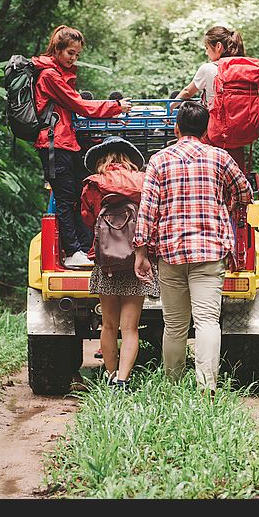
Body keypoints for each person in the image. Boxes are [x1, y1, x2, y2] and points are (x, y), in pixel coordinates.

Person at [133, 101, 253, 395]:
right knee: (207, 321)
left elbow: (148, 209)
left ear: (176, 128)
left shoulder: (159, 160)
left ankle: (172, 387)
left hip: (171, 253)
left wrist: (140, 252)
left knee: (173, 325)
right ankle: (207, 387)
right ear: (207, 129)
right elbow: (246, 192)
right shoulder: (220, 158)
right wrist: (228, 201)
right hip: (211, 252)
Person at [33, 25, 133, 269]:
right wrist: (115, 107)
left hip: (65, 142)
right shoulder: (49, 76)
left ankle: (84, 246)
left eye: (77, 54)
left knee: (79, 192)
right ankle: (72, 251)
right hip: (54, 144)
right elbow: (80, 105)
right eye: (70, 53)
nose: (74, 58)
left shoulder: (57, 73)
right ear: (57, 49)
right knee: (65, 199)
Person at [81, 136, 160, 390]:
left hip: (106, 263)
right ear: (128, 159)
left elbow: (87, 218)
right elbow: (151, 217)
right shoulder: (142, 181)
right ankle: (123, 381)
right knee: (130, 328)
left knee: (108, 324)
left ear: (102, 159)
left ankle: (111, 374)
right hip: (136, 260)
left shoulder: (94, 184)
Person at [172, 26, 247, 172]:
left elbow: (187, 92)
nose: (206, 52)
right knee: (237, 171)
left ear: (218, 46)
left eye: (207, 48)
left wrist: (170, 107)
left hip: (215, 133)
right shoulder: (244, 69)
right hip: (240, 132)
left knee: (207, 169)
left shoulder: (209, 68)